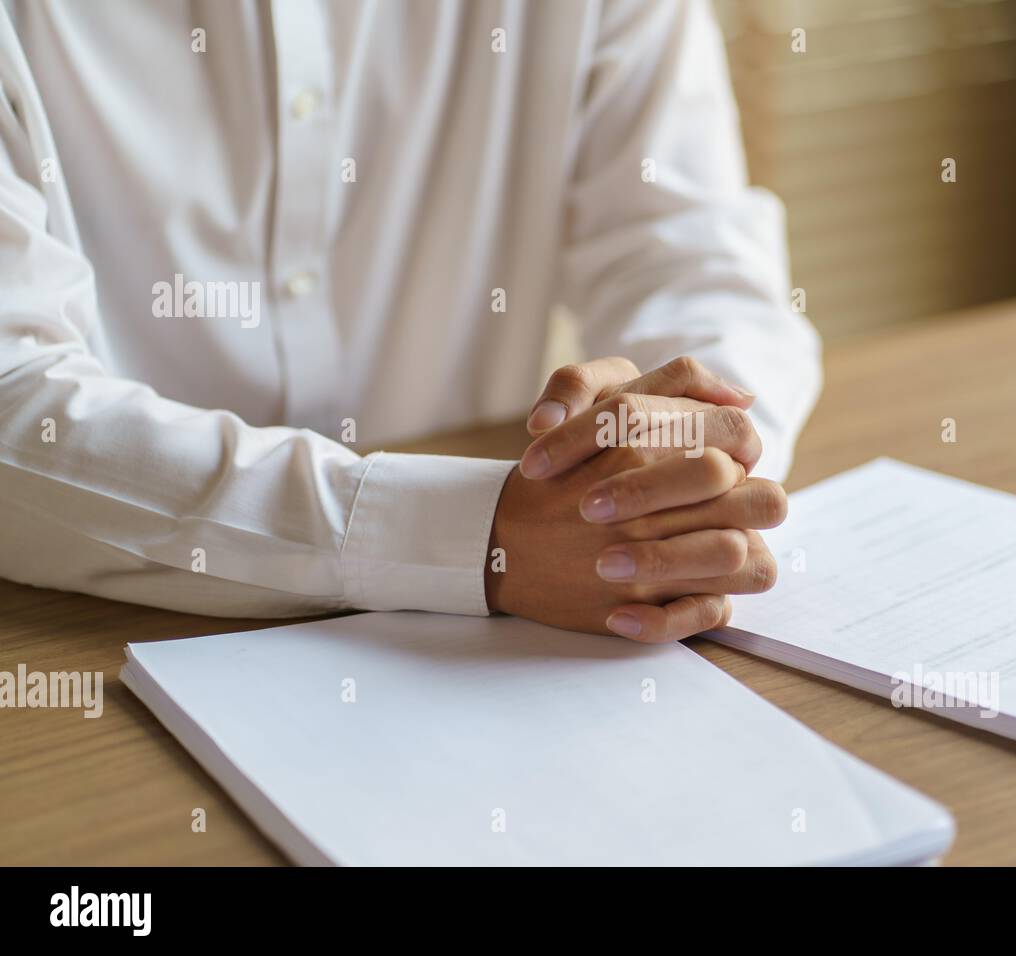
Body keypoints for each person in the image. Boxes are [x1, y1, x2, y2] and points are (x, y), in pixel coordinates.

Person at [0, 0, 820, 643]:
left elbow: (692, 259)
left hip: (525, 633)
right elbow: (12, 396)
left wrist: (689, 480)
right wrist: (482, 539)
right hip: (93, 640)